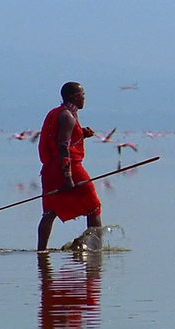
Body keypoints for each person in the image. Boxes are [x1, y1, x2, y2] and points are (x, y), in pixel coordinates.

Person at [37, 82, 102, 252]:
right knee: (94, 207)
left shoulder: (56, 113)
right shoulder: (67, 116)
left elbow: (62, 139)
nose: (84, 98)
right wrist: (68, 177)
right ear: (73, 96)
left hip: (50, 170)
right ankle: (95, 250)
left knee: (49, 212)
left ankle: (41, 251)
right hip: (69, 168)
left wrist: (81, 135)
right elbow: (63, 146)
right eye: (82, 94)